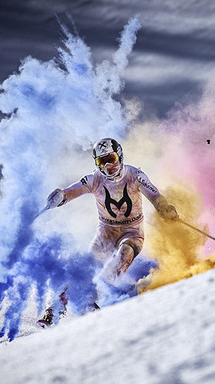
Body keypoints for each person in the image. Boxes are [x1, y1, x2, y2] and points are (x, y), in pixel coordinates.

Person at [37, 137, 178, 326]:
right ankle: (53, 309)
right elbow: (73, 190)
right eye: (102, 161)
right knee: (85, 267)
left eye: (111, 158)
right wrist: (61, 196)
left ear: (119, 155)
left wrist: (164, 207)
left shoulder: (135, 175)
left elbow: (154, 195)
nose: (108, 165)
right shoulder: (94, 179)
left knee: (124, 255)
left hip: (132, 232)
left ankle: (90, 299)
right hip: (106, 232)